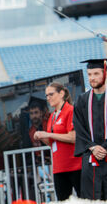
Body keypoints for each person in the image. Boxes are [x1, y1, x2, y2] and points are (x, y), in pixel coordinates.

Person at [34, 82, 82, 200]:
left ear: (61, 94)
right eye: (46, 95)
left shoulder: (70, 110)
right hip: (59, 167)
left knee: (84, 200)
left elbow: (73, 137)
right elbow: (53, 143)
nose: (48, 98)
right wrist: (42, 137)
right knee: (62, 201)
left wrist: (48, 134)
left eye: (51, 94)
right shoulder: (52, 116)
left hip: (75, 165)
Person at [74, 58, 107, 200]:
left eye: (96, 74)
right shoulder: (82, 100)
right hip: (92, 158)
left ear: (105, 73)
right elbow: (79, 127)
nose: (92, 78)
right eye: (89, 74)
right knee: (92, 199)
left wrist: (104, 147)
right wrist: (93, 147)